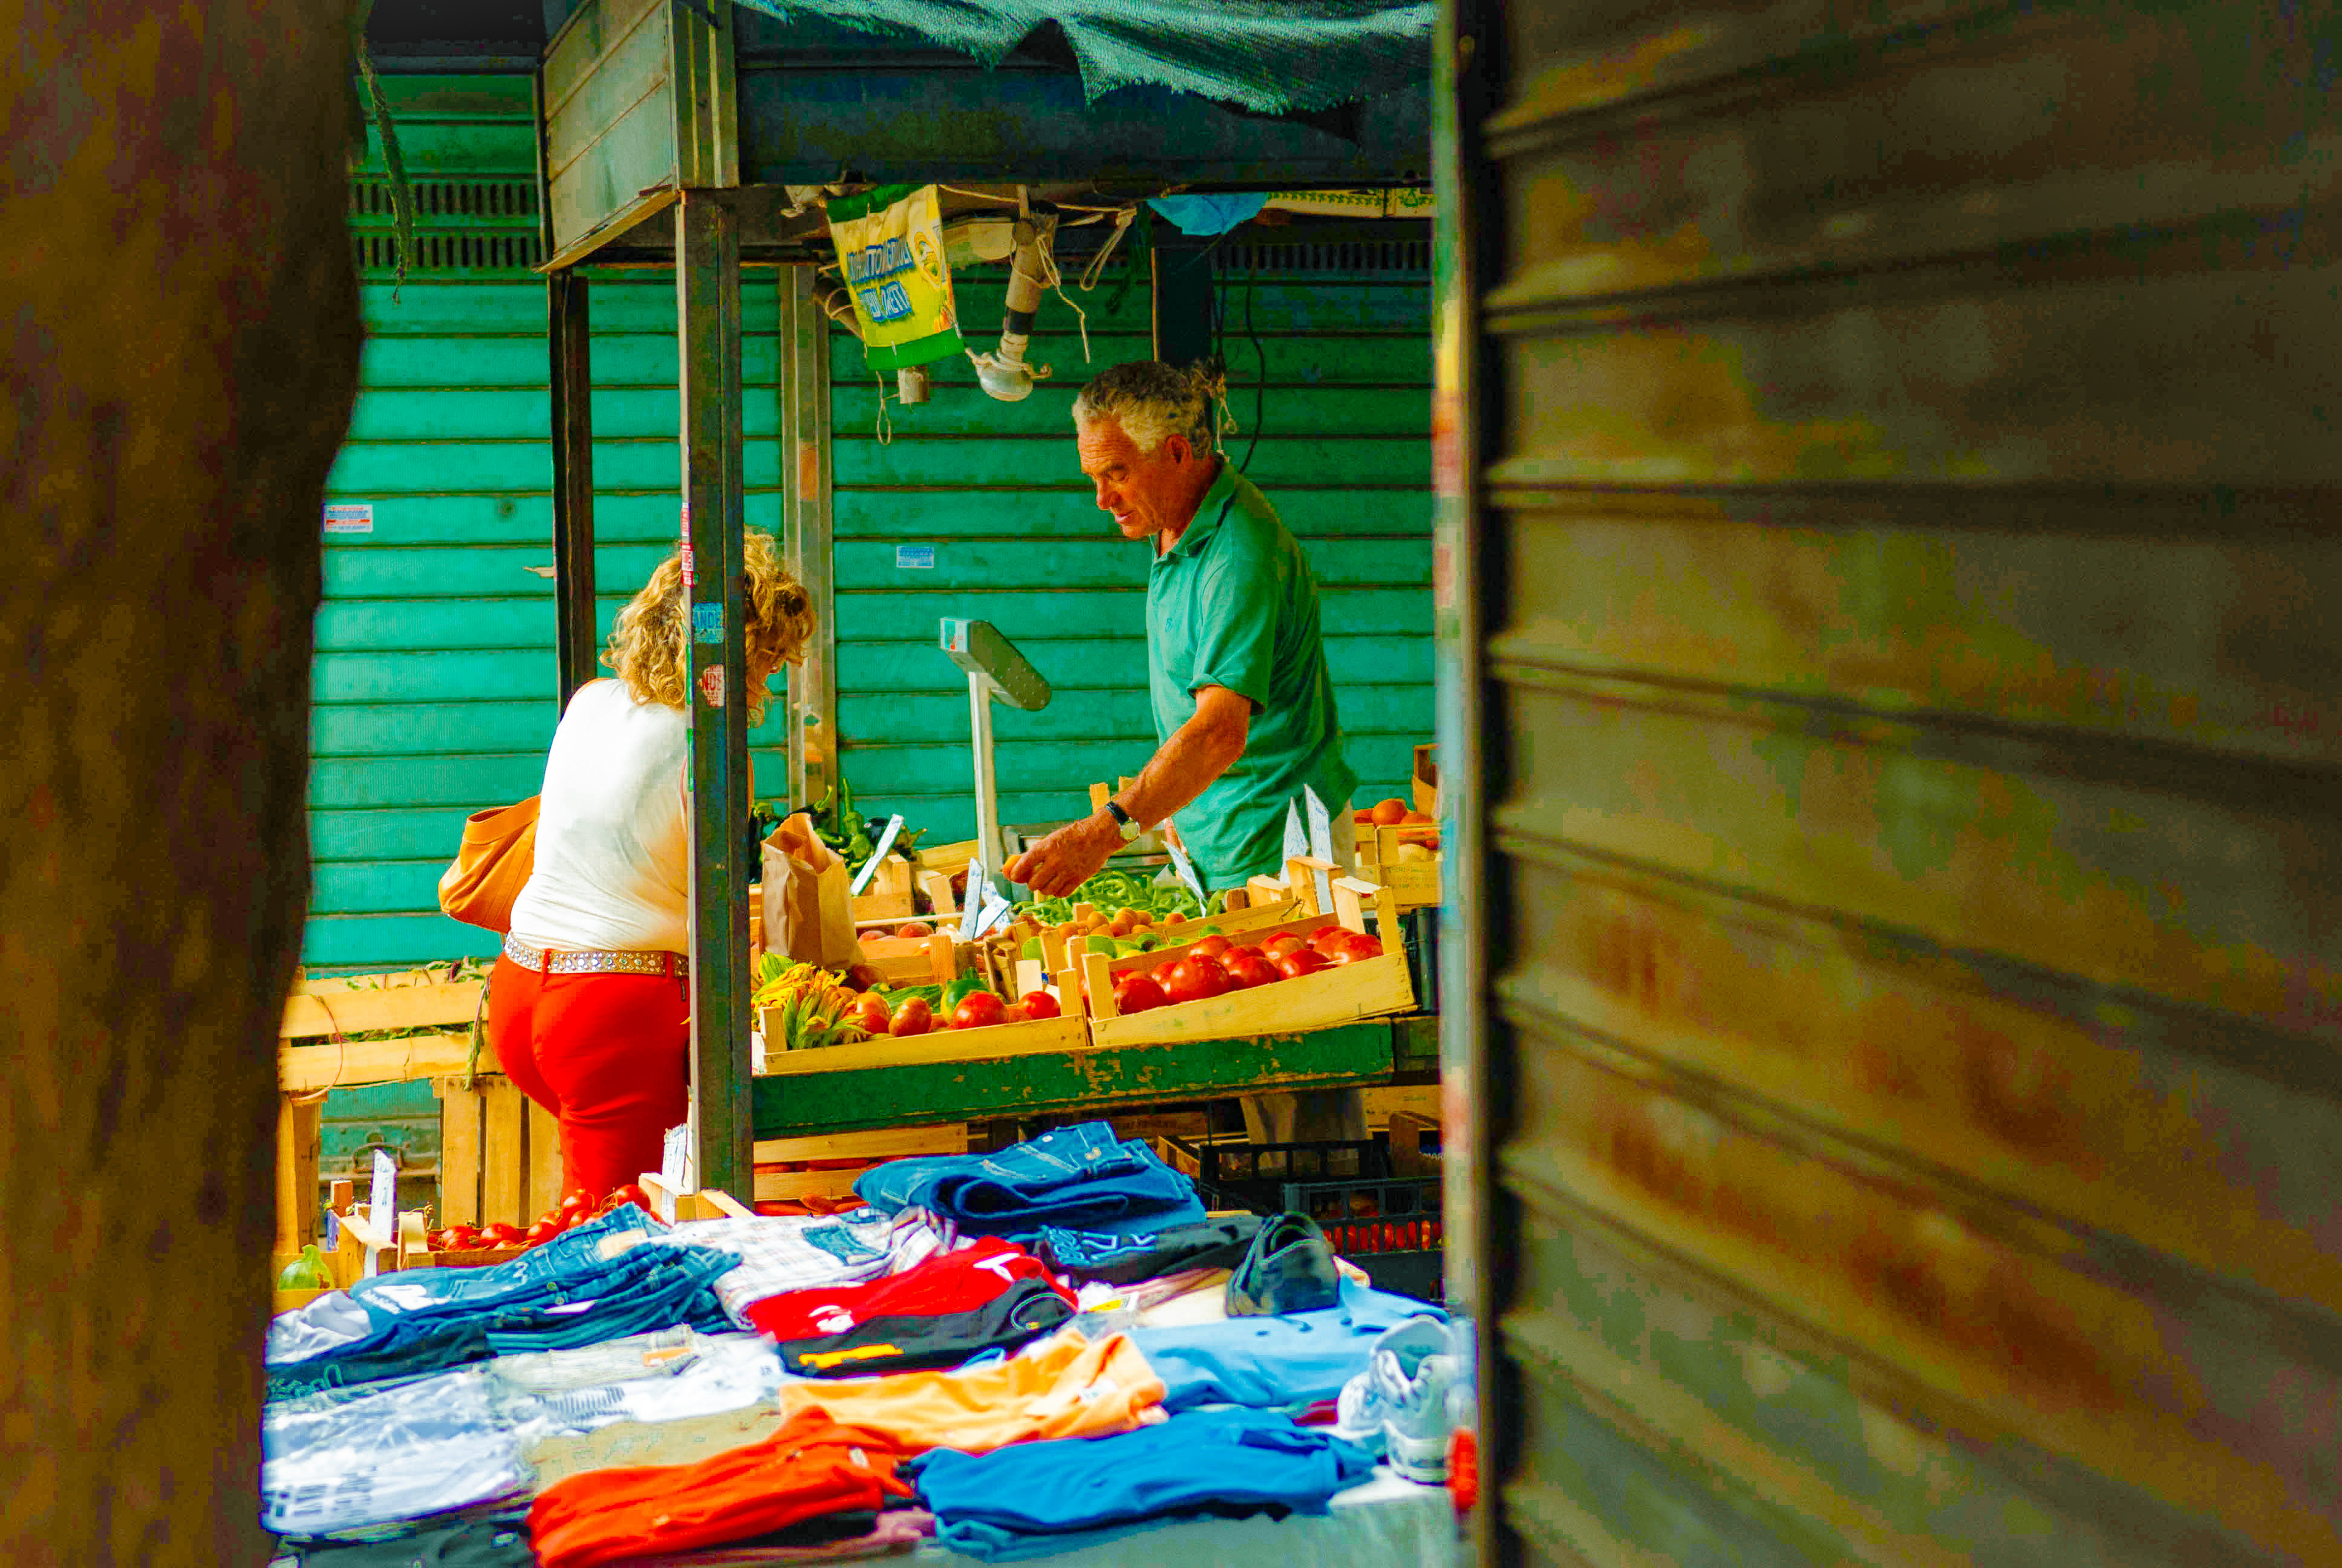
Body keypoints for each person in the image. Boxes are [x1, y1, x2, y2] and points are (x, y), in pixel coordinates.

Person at [1006, 361, 1364, 1144]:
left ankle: (1323, 1252)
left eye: (1115, 474)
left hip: (1280, 858)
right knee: (1257, 1096)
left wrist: (1108, 830)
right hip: (1223, 850)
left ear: (1176, 453)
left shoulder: (1237, 550)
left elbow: (1219, 730)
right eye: (1093, 476)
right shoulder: (1177, 533)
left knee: (1306, 1106)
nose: (1101, 498)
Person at [489, 530, 815, 1198]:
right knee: (618, 1238)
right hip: (608, 1021)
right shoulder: (711, 749)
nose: (768, 682)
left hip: (521, 987)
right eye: (766, 662)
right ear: (735, 655)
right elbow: (716, 902)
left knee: (597, 1208)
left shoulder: (589, 702)